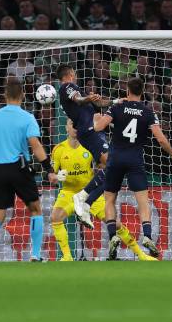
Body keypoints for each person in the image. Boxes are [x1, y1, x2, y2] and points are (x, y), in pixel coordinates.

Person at [94, 78, 172, 258]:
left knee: (109, 199)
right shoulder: (148, 112)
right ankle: (147, 235)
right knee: (143, 201)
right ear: (143, 92)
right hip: (135, 159)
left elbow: (98, 127)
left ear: (127, 90)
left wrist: (101, 119)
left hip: (116, 158)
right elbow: (161, 139)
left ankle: (112, 236)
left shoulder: (117, 107)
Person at [51, 119, 156, 261]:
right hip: (68, 192)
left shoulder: (89, 146)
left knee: (115, 223)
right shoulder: (59, 149)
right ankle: (67, 256)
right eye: (72, 124)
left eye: (77, 124)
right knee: (55, 218)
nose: (75, 127)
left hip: (89, 193)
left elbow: (104, 168)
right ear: (66, 128)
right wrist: (57, 176)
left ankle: (141, 255)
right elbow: (51, 176)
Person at [0, 80, 57, 262]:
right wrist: (49, 170)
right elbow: (35, 145)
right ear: (22, 95)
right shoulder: (27, 117)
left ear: (5, 95)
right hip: (19, 167)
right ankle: (35, 255)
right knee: (35, 209)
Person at [56, 64, 116, 229]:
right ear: (70, 74)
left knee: (110, 170)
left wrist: (117, 101)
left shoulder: (76, 92)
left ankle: (86, 203)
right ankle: (81, 198)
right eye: (74, 73)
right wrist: (88, 98)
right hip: (89, 131)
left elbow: (98, 103)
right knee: (112, 164)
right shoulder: (67, 86)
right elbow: (79, 99)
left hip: (90, 131)